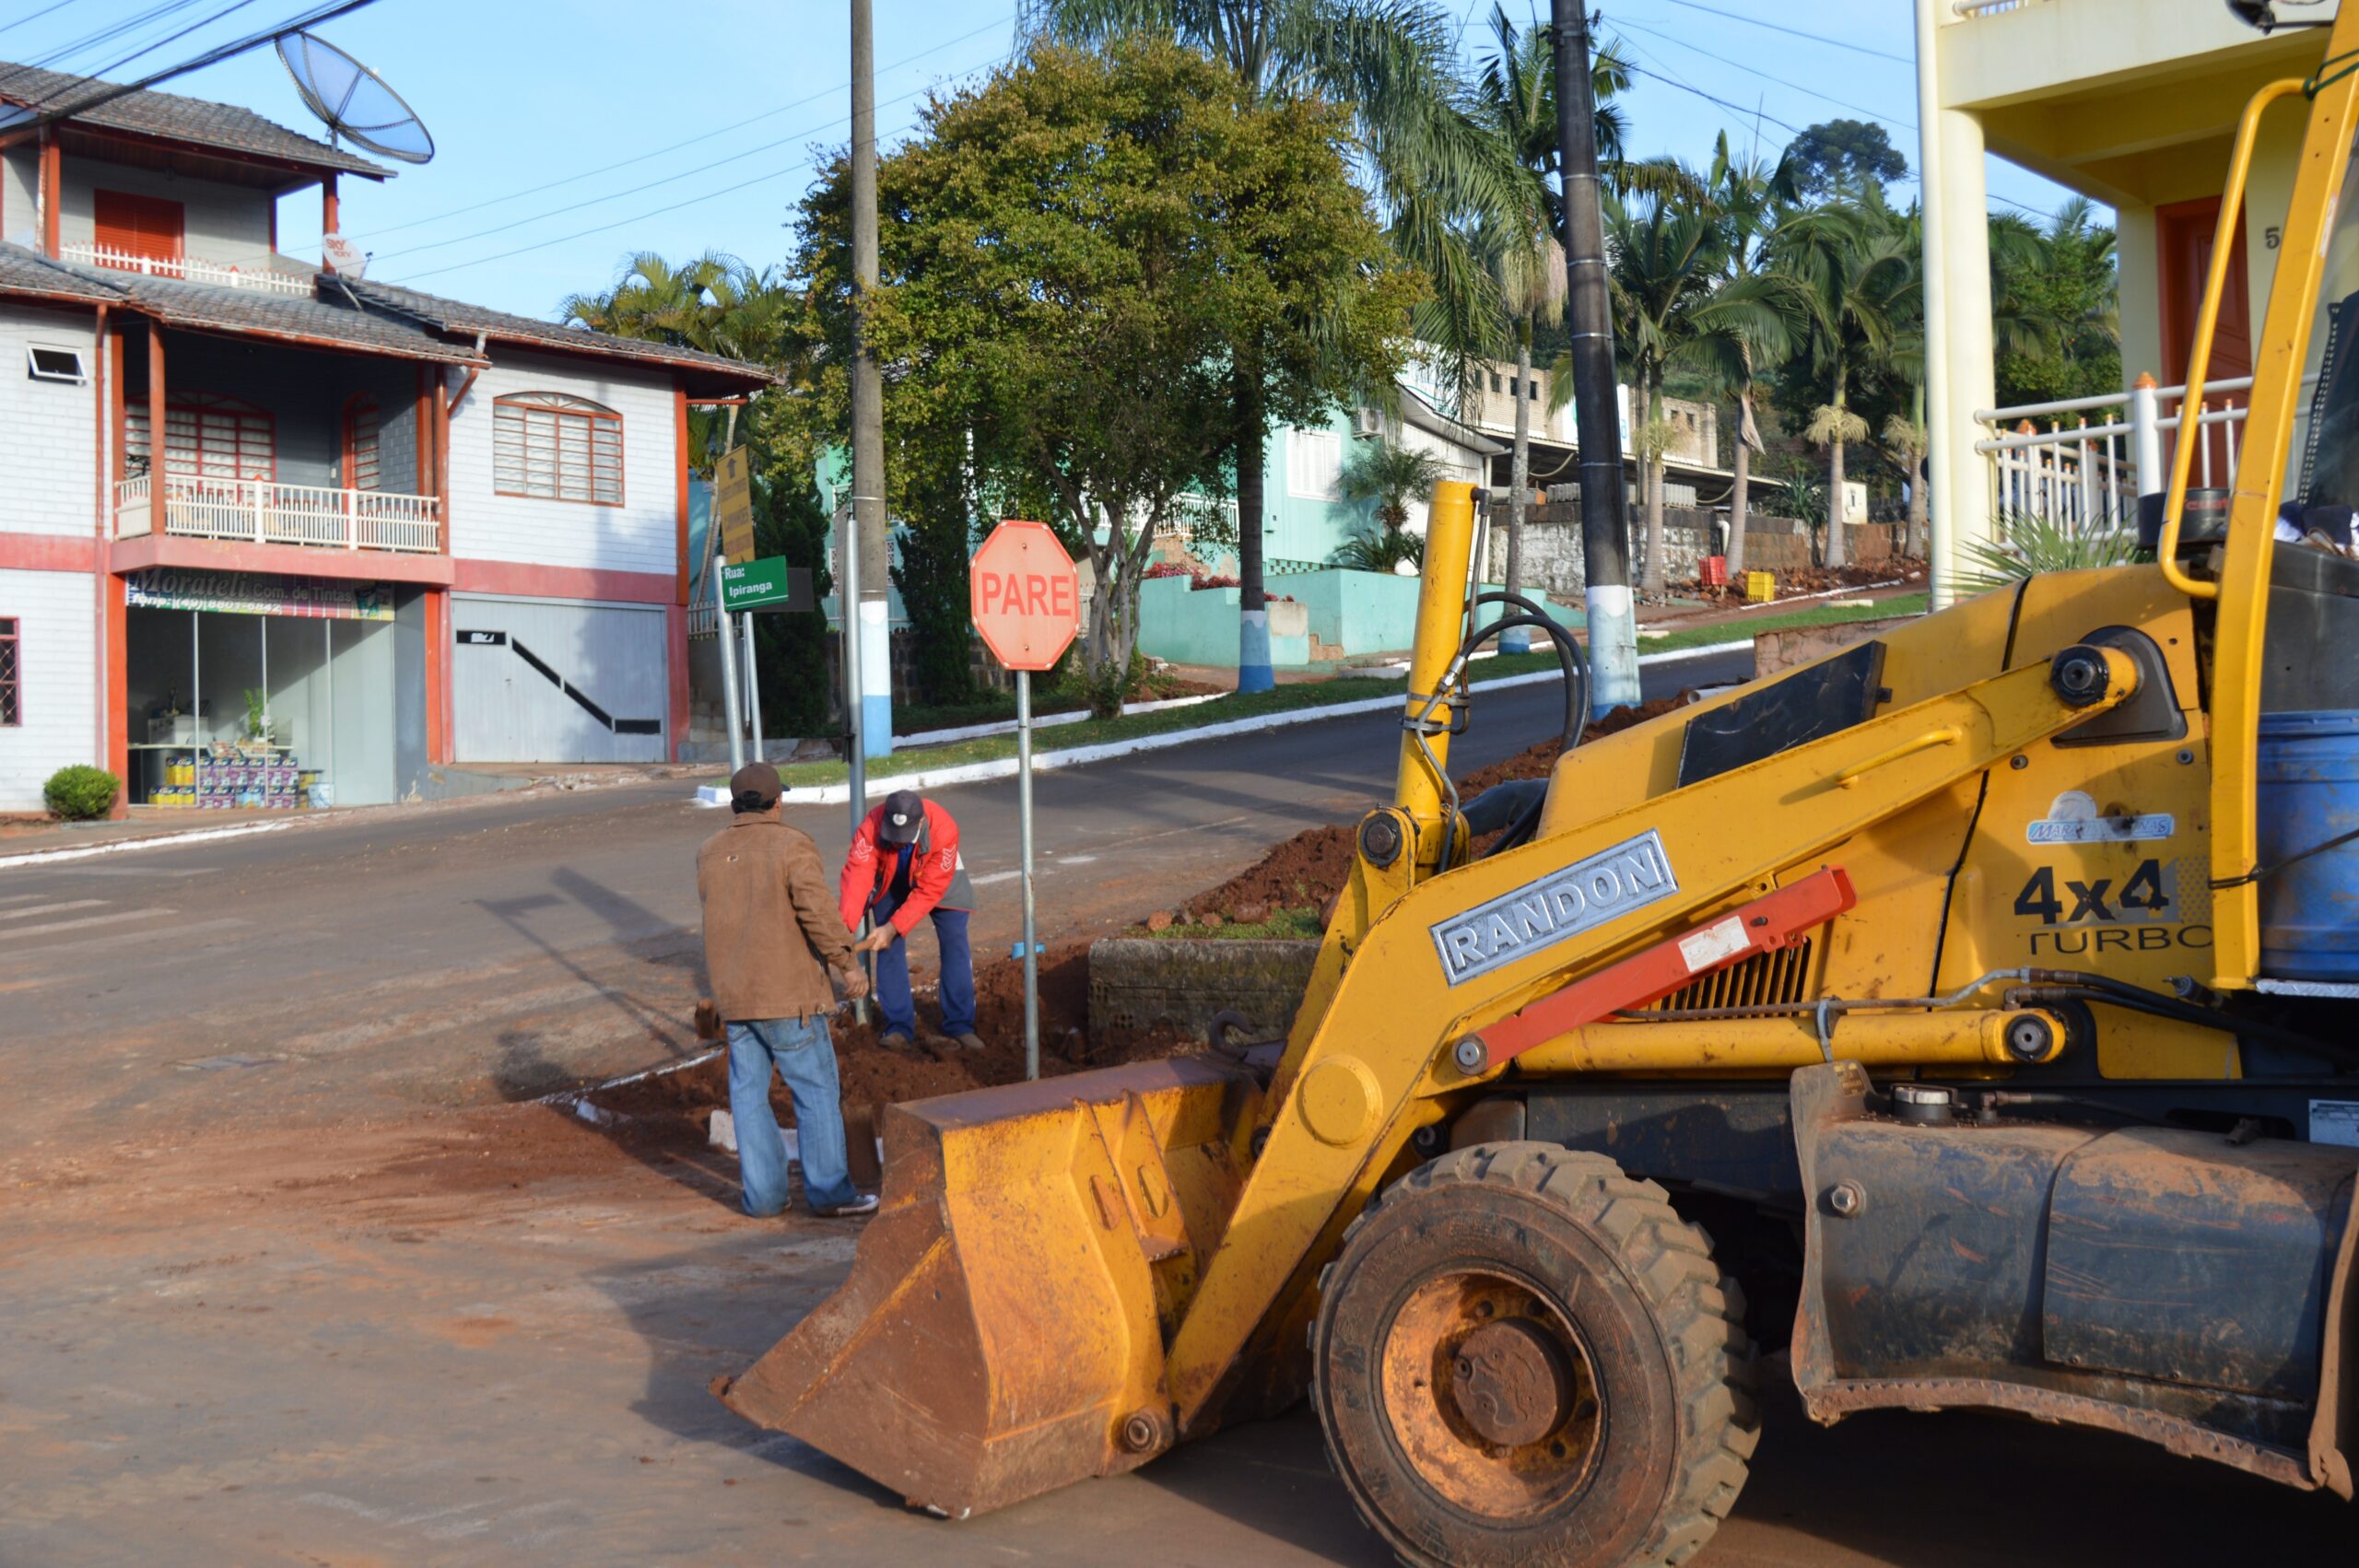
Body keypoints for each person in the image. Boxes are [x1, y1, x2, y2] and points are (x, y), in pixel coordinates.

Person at [697, 761, 877, 1220]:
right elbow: (816, 911)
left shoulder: (710, 851)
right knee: (815, 1093)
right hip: (790, 997)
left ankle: (763, 1199)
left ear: (736, 805)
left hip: (736, 1000)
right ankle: (831, 1193)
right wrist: (846, 964)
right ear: (778, 803)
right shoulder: (792, 845)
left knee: (748, 1098)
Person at [839, 788, 982, 1052]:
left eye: (905, 838)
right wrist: (842, 934)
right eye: (894, 837)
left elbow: (929, 890)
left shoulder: (944, 829)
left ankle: (960, 1024)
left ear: (922, 823)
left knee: (954, 940)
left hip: (940, 880)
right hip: (891, 878)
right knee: (886, 945)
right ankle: (898, 1026)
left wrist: (894, 927)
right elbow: (856, 879)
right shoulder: (871, 825)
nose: (899, 842)